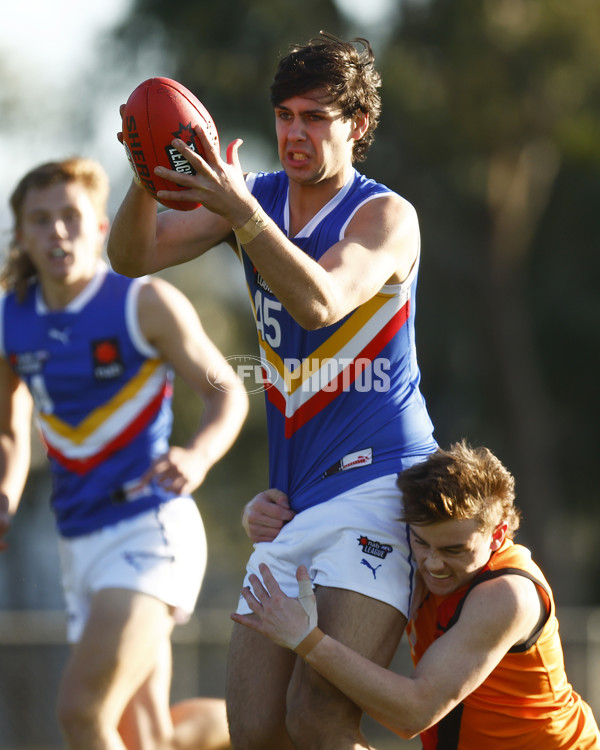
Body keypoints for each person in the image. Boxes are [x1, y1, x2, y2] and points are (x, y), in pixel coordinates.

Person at [108, 32, 438, 749]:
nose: (293, 132)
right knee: (254, 729)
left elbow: (322, 302)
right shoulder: (252, 199)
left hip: (379, 486)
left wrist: (242, 216)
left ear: (356, 124)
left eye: (314, 117)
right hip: (291, 501)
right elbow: (132, 257)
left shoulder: (384, 216)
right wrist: (145, 174)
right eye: (285, 115)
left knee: (318, 718)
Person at [0, 157, 247, 750]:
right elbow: (12, 431)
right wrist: (6, 494)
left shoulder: (143, 304)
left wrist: (198, 457)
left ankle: (282, 726)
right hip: (79, 543)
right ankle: (275, 726)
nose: (57, 231)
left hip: (149, 531)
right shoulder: (12, 319)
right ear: (22, 234)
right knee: (149, 736)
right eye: (40, 220)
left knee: (81, 713)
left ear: (99, 225)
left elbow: (229, 392)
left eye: (71, 216)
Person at [232, 441, 600, 749]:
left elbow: (413, 713)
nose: (433, 564)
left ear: (499, 533)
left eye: (454, 549)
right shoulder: (416, 553)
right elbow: (345, 501)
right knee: (309, 719)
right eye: (421, 542)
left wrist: (306, 640)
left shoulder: (507, 595)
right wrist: (262, 512)